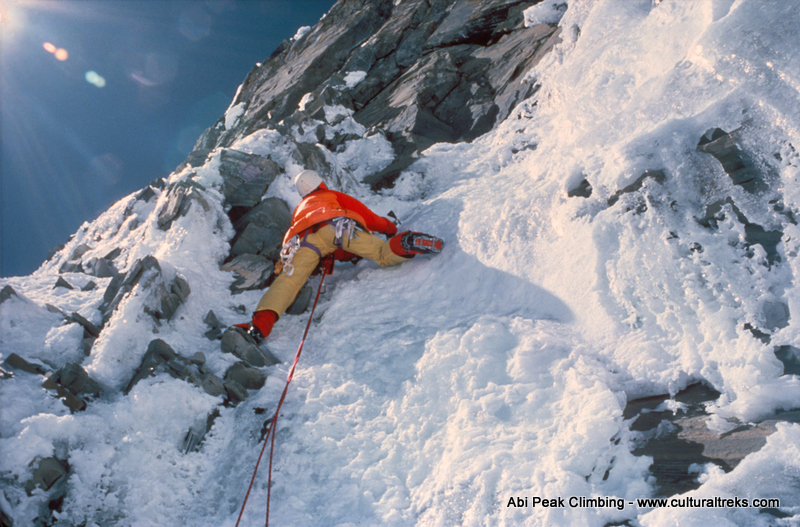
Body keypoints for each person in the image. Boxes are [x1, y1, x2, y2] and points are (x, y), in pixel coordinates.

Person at [237, 169, 443, 341]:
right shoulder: (331, 196)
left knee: (289, 282)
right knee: (381, 253)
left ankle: (259, 326)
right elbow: (367, 216)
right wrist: (389, 228)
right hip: (339, 226)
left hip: (306, 240)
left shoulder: (300, 209)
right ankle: (406, 242)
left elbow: (297, 239)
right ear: (320, 183)